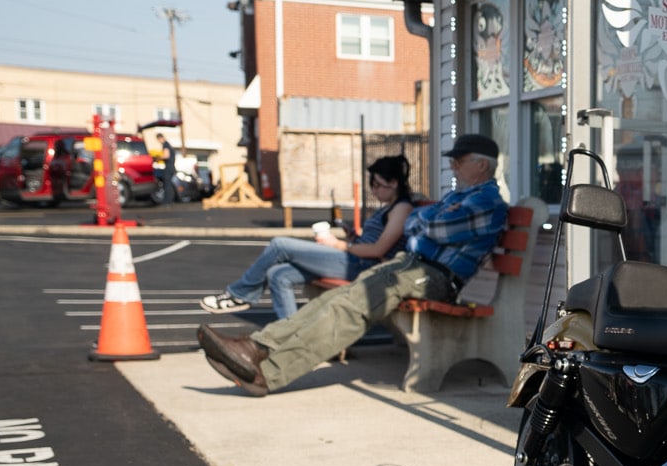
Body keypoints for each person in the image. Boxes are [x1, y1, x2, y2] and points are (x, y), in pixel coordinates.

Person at [197, 135, 507, 396]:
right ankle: (256, 346)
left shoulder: (488, 202)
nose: (452, 165)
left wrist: (426, 221)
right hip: (411, 267)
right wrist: (427, 221)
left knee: (351, 307)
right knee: (337, 298)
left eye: (459, 160)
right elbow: (415, 224)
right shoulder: (458, 196)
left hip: (435, 278)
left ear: (481, 164)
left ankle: (268, 374)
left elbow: (433, 228)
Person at [199, 156, 417, 318]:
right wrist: (351, 237)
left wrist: (339, 245)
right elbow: (370, 243)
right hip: (354, 258)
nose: (374, 190)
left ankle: (240, 294)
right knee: (278, 274)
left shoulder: (402, 208)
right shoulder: (387, 208)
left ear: (394, 183)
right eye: (372, 185)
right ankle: (290, 336)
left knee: (280, 245)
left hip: (363, 266)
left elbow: (378, 250)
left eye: (377, 184)